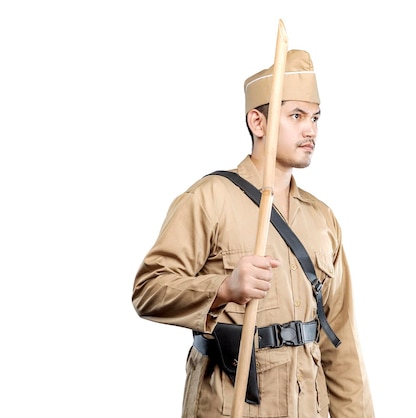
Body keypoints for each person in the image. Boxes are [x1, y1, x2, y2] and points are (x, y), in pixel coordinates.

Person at [132, 49, 375, 418]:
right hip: (231, 406)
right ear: (257, 122)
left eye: (315, 117)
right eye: (296, 116)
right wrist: (224, 289)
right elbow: (149, 290)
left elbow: (341, 344)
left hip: (308, 407)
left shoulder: (322, 220)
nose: (310, 129)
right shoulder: (209, 199)